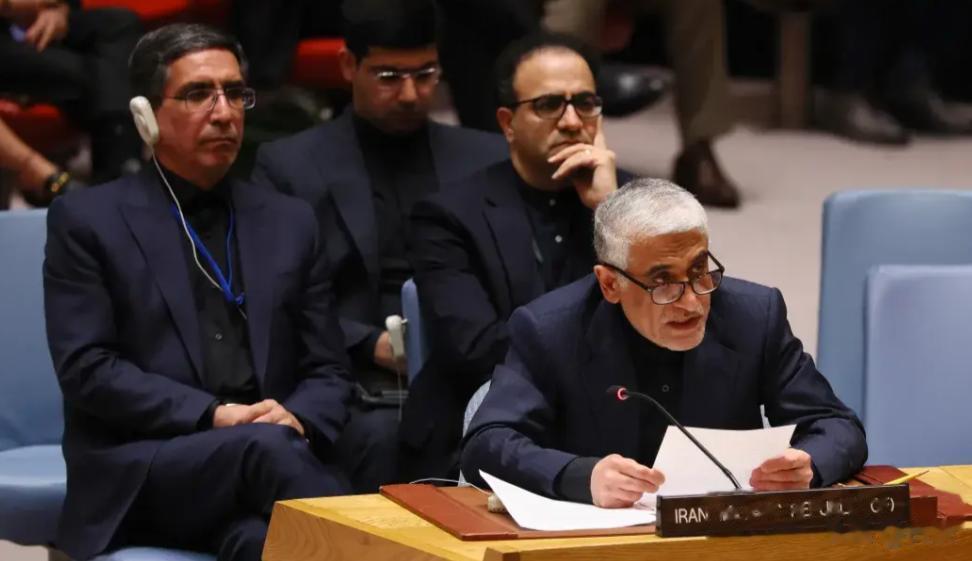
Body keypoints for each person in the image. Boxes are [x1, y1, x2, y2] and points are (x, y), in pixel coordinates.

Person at [44, 24, 352, 561]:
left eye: (234, 93)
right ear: (145, 116)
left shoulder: (289, 220)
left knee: (265, 544)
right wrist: (212, 414)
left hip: (265, 460)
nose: (224, 113)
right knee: (266, 453)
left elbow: (329, 368)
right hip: (147, 465)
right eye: (198, 94)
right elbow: (88, 369)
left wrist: (298, 417)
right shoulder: (88, 220)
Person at [461, 178, 867, 506]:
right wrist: (581, 476)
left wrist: (809, 464)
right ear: (610, 284)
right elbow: (487, 443)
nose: (691, 302)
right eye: (662, 282)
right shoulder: (550, 330)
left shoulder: (754, 316)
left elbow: (837, 425)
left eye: (699, 270)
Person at [251, 0, 507, 492]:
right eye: (389, 76)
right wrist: (368, 343)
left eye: (425, 75)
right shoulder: (289, 166)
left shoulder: (486, 157)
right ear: (349, 65)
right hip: (357, 376)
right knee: (387, 439)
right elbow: (274, 293)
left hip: (469, 363)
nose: (410, 93)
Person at [404, 32, 629, 481]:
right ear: (508, 123)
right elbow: (476, 350)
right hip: (489, 427)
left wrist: (610, 211)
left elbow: (682, 305)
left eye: (585, 104)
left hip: (615, 429)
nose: (572, 122)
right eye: (550, 105)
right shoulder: (449, 216)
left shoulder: (631, 202)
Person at [0, 0, 144, 183]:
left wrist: (58, 9)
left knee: (120, 23)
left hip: (34, 27)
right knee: (99, 72)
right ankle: (120, 169)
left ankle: (120, 163)